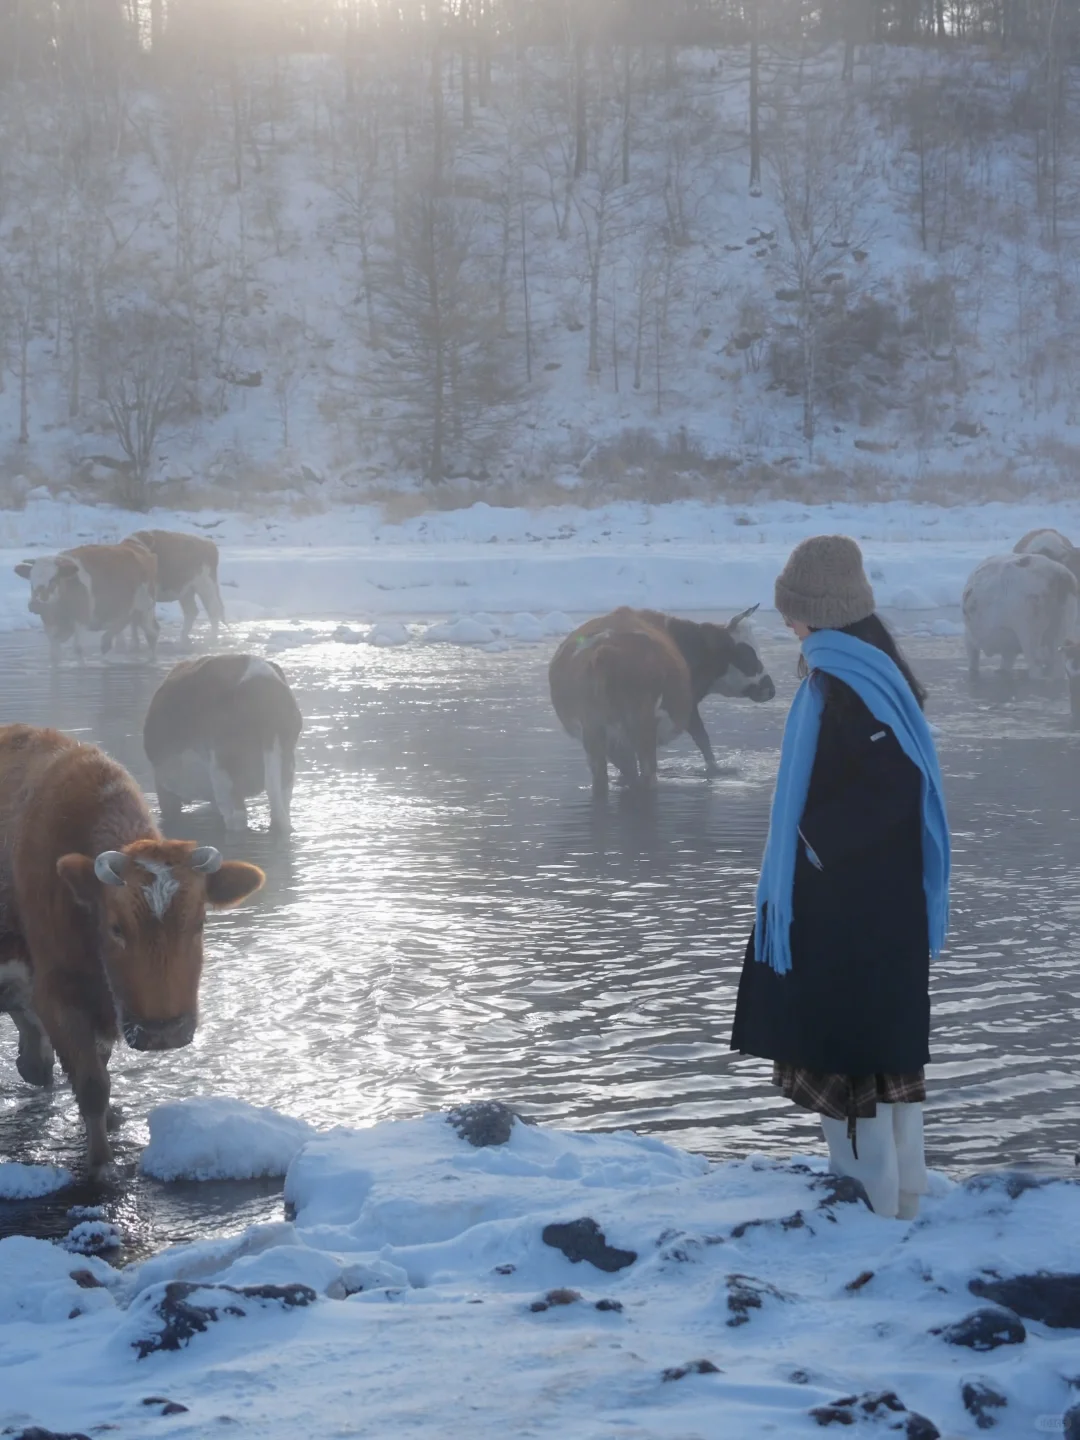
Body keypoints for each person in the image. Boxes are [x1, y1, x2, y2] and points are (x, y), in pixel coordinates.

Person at [731, 535, 950, 1220]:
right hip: (880, 906)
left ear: (818, 612)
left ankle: (871, 1207)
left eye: (792, 611)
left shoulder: (844, 682)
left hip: (850, 914)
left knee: (849, 1053)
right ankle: (903, 1195)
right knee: (883, 1059)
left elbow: (890, 786)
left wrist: (808, 845)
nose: (787, 623)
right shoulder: (872, 669)